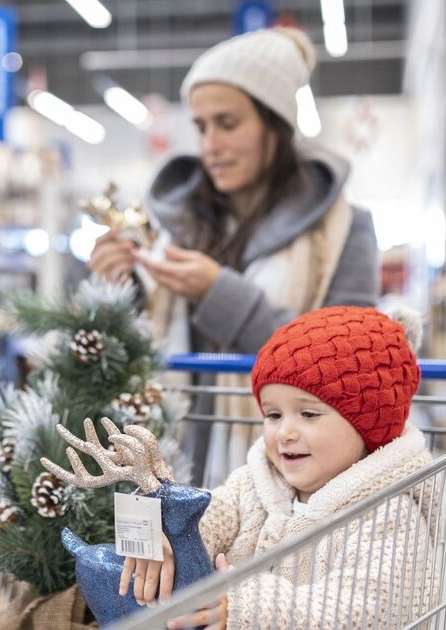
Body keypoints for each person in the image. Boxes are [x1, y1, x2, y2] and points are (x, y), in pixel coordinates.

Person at [89, 27, 380, 485]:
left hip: (289, 486)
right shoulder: (174, 228)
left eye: (228, 123)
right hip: (175, 468)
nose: (210, 145)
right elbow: (141, 351)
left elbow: (349, 369)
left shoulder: (344, 231)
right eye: (201, 127)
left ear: (276, 125)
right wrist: (118, 289)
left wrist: (218, 293)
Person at [120, 306, 438, 628]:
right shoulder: (256, 484)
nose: (285, 433)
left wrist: (250, 608)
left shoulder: (388, 516)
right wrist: (167, 535)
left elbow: (360, 612)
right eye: (273, 415)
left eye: (309, 415)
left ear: (370, 425)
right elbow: (213, 513)